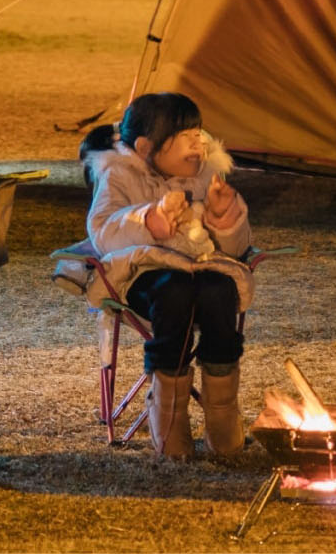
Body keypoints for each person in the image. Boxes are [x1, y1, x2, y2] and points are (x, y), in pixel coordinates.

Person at [81, 93, 256, 459]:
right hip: (142, 273)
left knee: (220, 291)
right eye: (185, 135)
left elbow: (237, 249)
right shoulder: (118, 173)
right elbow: (103, 231)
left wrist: (225, 220)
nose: (198, 143)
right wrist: (149, 221)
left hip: (205, 267)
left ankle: (222, 416)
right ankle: (170, 416)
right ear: (146, 147)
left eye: (199, 133)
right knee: (173, 293)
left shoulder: (208, 175)